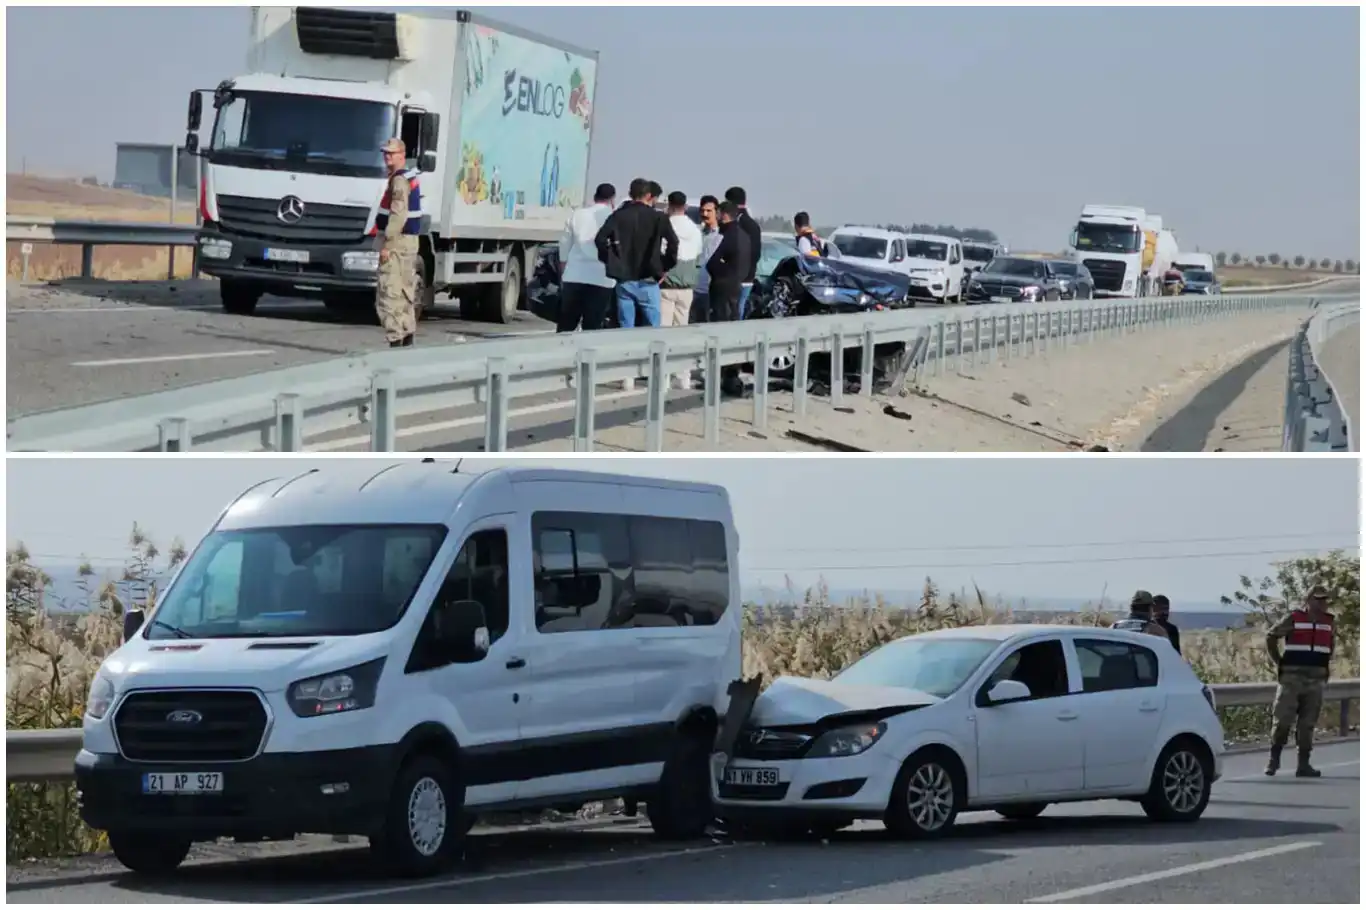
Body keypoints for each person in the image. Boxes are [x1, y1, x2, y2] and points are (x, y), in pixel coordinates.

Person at [1263, 584, 1335, 777]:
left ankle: (1303, 764)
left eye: (1325, 599)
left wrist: (1326, 667)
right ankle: (1273, 760)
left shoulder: (1329, 622)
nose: (1323, 604)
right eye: (1319, 599)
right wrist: (1279, 662)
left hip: (1316, 679)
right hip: (1291, 678)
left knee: (1307, 724)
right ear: (1309, 600)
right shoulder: (1294, 618)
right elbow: (1271, 636)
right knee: (1283, 720)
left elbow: (1330, 645)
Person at [595, 177, 678, 329]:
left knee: (626, 325)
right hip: (649, 277)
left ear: (630, 193)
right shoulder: (658, 217)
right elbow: (673, 243)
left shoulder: (618, 215)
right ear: (648, 195)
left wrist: (611, 260)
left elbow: (600, 240)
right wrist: (664, 267)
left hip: (624, 278)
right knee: (653, 326)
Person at [374, 137, 422, 348]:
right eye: (385, 152)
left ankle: (396, 341)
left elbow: (397, 215)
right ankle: (406, 339)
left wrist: (387, 244)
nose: (387, 156)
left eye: (391, 153)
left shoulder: (400, 180)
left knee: (390, 293)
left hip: (398, 242)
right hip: (408, 242)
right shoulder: (408, 176)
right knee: (404, 291)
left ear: (402, 155)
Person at [555, 183, 617, 333]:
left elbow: (564, 244)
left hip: (575, 275)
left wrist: (564, 269)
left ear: (595, 196)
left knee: (566, 323)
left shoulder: (578, 214)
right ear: (612, 199)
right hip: (602, 278)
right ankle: (585, 355)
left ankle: (560, 353)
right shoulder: (614, 217)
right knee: (593, 325)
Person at [705, 201, 752, 396]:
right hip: (738, 285)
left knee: (720, 330)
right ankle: (732, 372)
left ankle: (722, 374)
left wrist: (719, 274)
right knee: (733, 328)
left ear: (724, 215)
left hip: (723, 287)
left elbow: (712, 262)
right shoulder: (745, 236)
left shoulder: (727, 235)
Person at [659, 191, 704, 329]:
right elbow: (698, 255)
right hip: (687, 287)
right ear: (686, 206)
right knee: (682, 326)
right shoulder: (695, 230)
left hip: (666, 284)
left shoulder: (664, 225)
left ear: (669, 205)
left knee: (664, 326)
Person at [724, 186, 763, 319]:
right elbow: (756, 253)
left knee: (734, 311)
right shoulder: (753, 224)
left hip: (737, 276)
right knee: (739, 308)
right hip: (748, 276)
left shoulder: (738, 223)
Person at [691, 195, 723, 325]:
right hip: (693, 286)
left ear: (717, 212)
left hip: (709, 289)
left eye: (709, 211)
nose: (705, 214)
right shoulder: (696, 232)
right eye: (703, 210)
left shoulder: (721, 234)